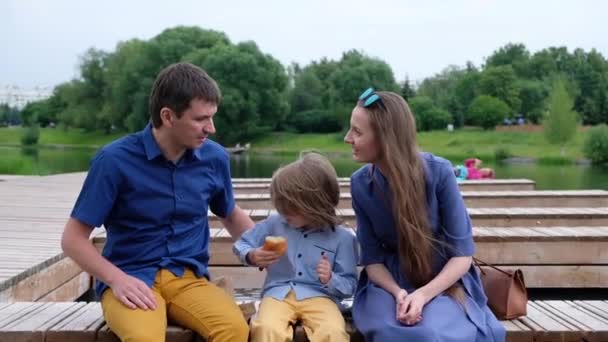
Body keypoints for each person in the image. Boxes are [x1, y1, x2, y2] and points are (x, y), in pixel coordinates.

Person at [61, 63, 255, 342]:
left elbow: (230, 214)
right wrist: (117, 279)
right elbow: (73, 240)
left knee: (235, 330)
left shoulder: (215, 159)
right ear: (168, 116)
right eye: (201, 119)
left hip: (189, 279)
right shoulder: (114, 161)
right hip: (130, 278)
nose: (211, 128)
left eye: (212, 117)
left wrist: (260, 248)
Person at [344, 88, 505, 341]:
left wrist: (422, 295)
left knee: (431, 333)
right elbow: (372, 261)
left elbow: (462, 256)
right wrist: (399, 294)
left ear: (386, 137)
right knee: (390, 329)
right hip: (387, 286)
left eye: (357, 131)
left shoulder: (439, 173)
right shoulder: (360, 184)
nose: (347, 138)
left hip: (444, 283)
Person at [233, 152, 359, 342]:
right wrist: (251, 255)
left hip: (322, 297)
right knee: (266, 328)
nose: (282, 211)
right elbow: (242, 244)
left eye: (289, 205)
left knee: (332, 331)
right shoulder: (274, 223)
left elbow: (350, 285)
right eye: (279, 204)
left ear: (315, 204)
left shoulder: (343, 238)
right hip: (277, 295)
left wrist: (330, 278)